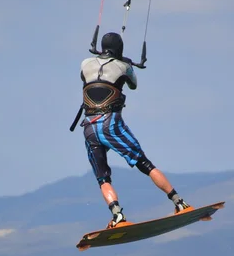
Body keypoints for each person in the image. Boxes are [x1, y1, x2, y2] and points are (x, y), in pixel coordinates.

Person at [78, 32, 192, 229]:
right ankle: (179, 203)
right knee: (144, 163)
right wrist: (126, 64)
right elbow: (133, 85)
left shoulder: (85, 64)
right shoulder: (124, 67)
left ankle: (117, 216)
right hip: (110, 124)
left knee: (102, 178)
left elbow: (91, 76)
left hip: (89, 127)